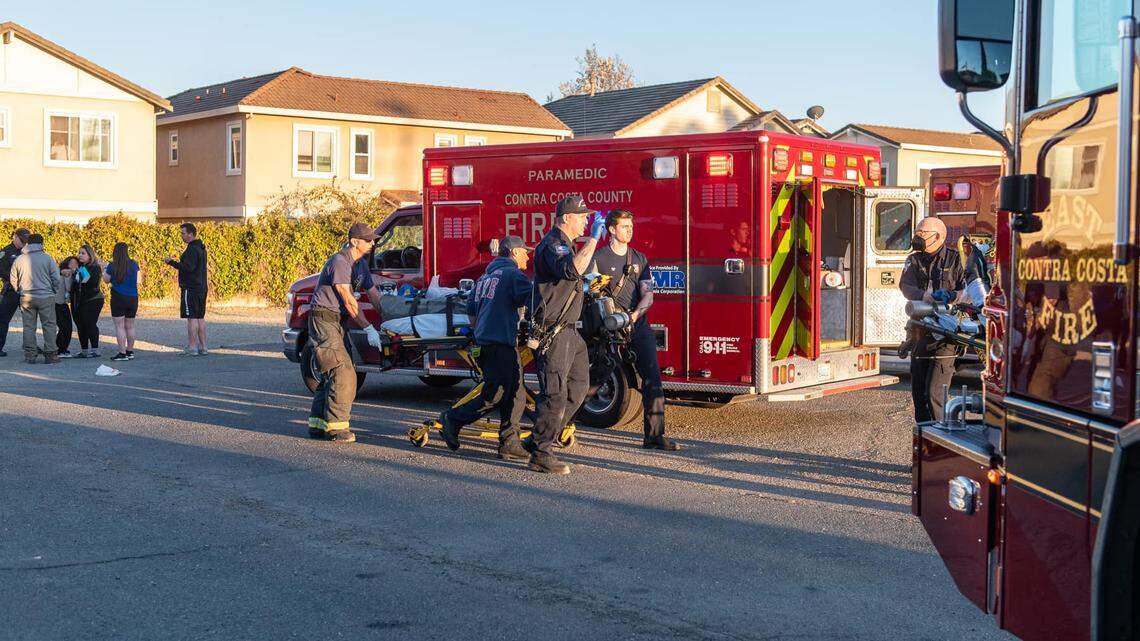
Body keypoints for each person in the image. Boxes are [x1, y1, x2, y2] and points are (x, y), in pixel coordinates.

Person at [527, 195, 607, 475]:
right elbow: (571, 268)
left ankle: (539, 437)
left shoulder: (568, 245)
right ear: (566, 218)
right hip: (554, 331)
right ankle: (540, 453)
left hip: (572, 332)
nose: (587, 220)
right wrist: (594, 240)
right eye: (582, 216)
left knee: (579, 388)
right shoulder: (553, 245)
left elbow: (573, 278)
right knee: (555, 394)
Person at [438, 236, 533, 461]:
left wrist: (483, 331)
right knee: (513, 392)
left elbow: (472, 311)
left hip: (484, 344)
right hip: (501, 344)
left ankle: (455, 420)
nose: (528, 256)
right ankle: (507, 442)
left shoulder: (485, 277)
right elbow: (535, 301)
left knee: (497, 392)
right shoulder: (513, 275)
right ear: (514, 253)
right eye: (525, 252)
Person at [592, 210, 680, 451]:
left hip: (637, 326)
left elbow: (648, 295)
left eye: (631, 226)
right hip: (607, 331)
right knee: (592, 382)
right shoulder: (598, 258)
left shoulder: (639, 259)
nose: (630, 230)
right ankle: (558, 427)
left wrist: (634, 315)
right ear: (611, 229)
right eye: (624, 226)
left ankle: (654, 436)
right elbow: (590, 294)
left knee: (653, 380)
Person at [306, 222, 384, 443]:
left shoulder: (361, 265)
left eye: (373, 239)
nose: (372, 243)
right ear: (355, 242)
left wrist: (388, 321)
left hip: (338, 322)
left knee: (331, 371)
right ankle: (337, 429)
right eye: (368, 240)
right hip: (324, 319)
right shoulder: (340, 262)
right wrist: (368, 328)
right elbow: (349, 301)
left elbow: (374, 295)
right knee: (344, 372)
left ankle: (318, 424)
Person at [900, 217, 982, 423]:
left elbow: (968, 291)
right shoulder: (913, 260)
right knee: (919, 394)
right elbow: (906, 286)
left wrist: (953, 297)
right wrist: (924, 297)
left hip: (946, 336)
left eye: (921, 233)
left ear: (937, 237)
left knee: (934, 393)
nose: (917, 237)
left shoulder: (955, 260)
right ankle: (923, 438)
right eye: (917, 232)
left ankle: (941, 439)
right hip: (919, 333)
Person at [10, 233, 60, 364]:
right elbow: (56, 278)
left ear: (27, 244)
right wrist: (53, 290)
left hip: (26, 297)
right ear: (41, 244)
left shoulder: (19, 259)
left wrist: (19, 290)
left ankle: (30, 356)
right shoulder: (47, 258)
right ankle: (50, 355)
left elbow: (13, 279)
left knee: (28, 327)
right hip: (46, 296)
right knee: (49, 326)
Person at [164, 223, 209, 356]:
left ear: (191, 234)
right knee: (200, 317)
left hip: (191, 288)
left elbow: (187, 268)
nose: (181, 236)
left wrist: (171, 262)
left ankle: (192, 347)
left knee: (192, 318)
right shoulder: (201, 248)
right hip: (201, 287)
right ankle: (203, 347)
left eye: (183, 233)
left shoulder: (192, 250)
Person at [102, 243, 141, 362]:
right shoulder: (134, 264)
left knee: (119, 326)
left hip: (118, 297)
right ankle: (130, 351)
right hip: (133, 297)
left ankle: (122, 353)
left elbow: (106, 280)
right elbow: (139, 281)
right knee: (130, 326)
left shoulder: (112, 265)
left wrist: (104, 268)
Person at [0, 228, 30, 357]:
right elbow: (1, 270)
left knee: (30, 320)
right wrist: (14, 279)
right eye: (21, 240)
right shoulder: (5, 251)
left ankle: (31, 346)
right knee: (3, 319)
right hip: (11, 291)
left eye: (25, 241)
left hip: (27, 291)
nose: (23, 243)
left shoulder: (28, 252)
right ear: (15, 237)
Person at [72, 244, 105, 358]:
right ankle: (84, 350)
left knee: (89, 323)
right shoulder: (80, 267)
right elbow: (75, 284)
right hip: (81, 301)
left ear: (90, 255)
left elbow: (89, 282)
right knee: (81, 325)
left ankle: (95, 350)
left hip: (94, 299)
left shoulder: (94, 267)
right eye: (79, 253)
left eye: (83, 253)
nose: (80, 255)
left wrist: (78, 272)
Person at [55, 256, 78, 358]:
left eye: (76, 264)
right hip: (58, 303)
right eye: (72, 263)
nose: (74, 266)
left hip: (60, 303)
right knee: (66, 327)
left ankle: (61, 349)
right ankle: (60, 350)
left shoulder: (61, 272)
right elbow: (69, 288)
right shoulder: (66, 273)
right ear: (67, 264)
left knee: (65, 327)